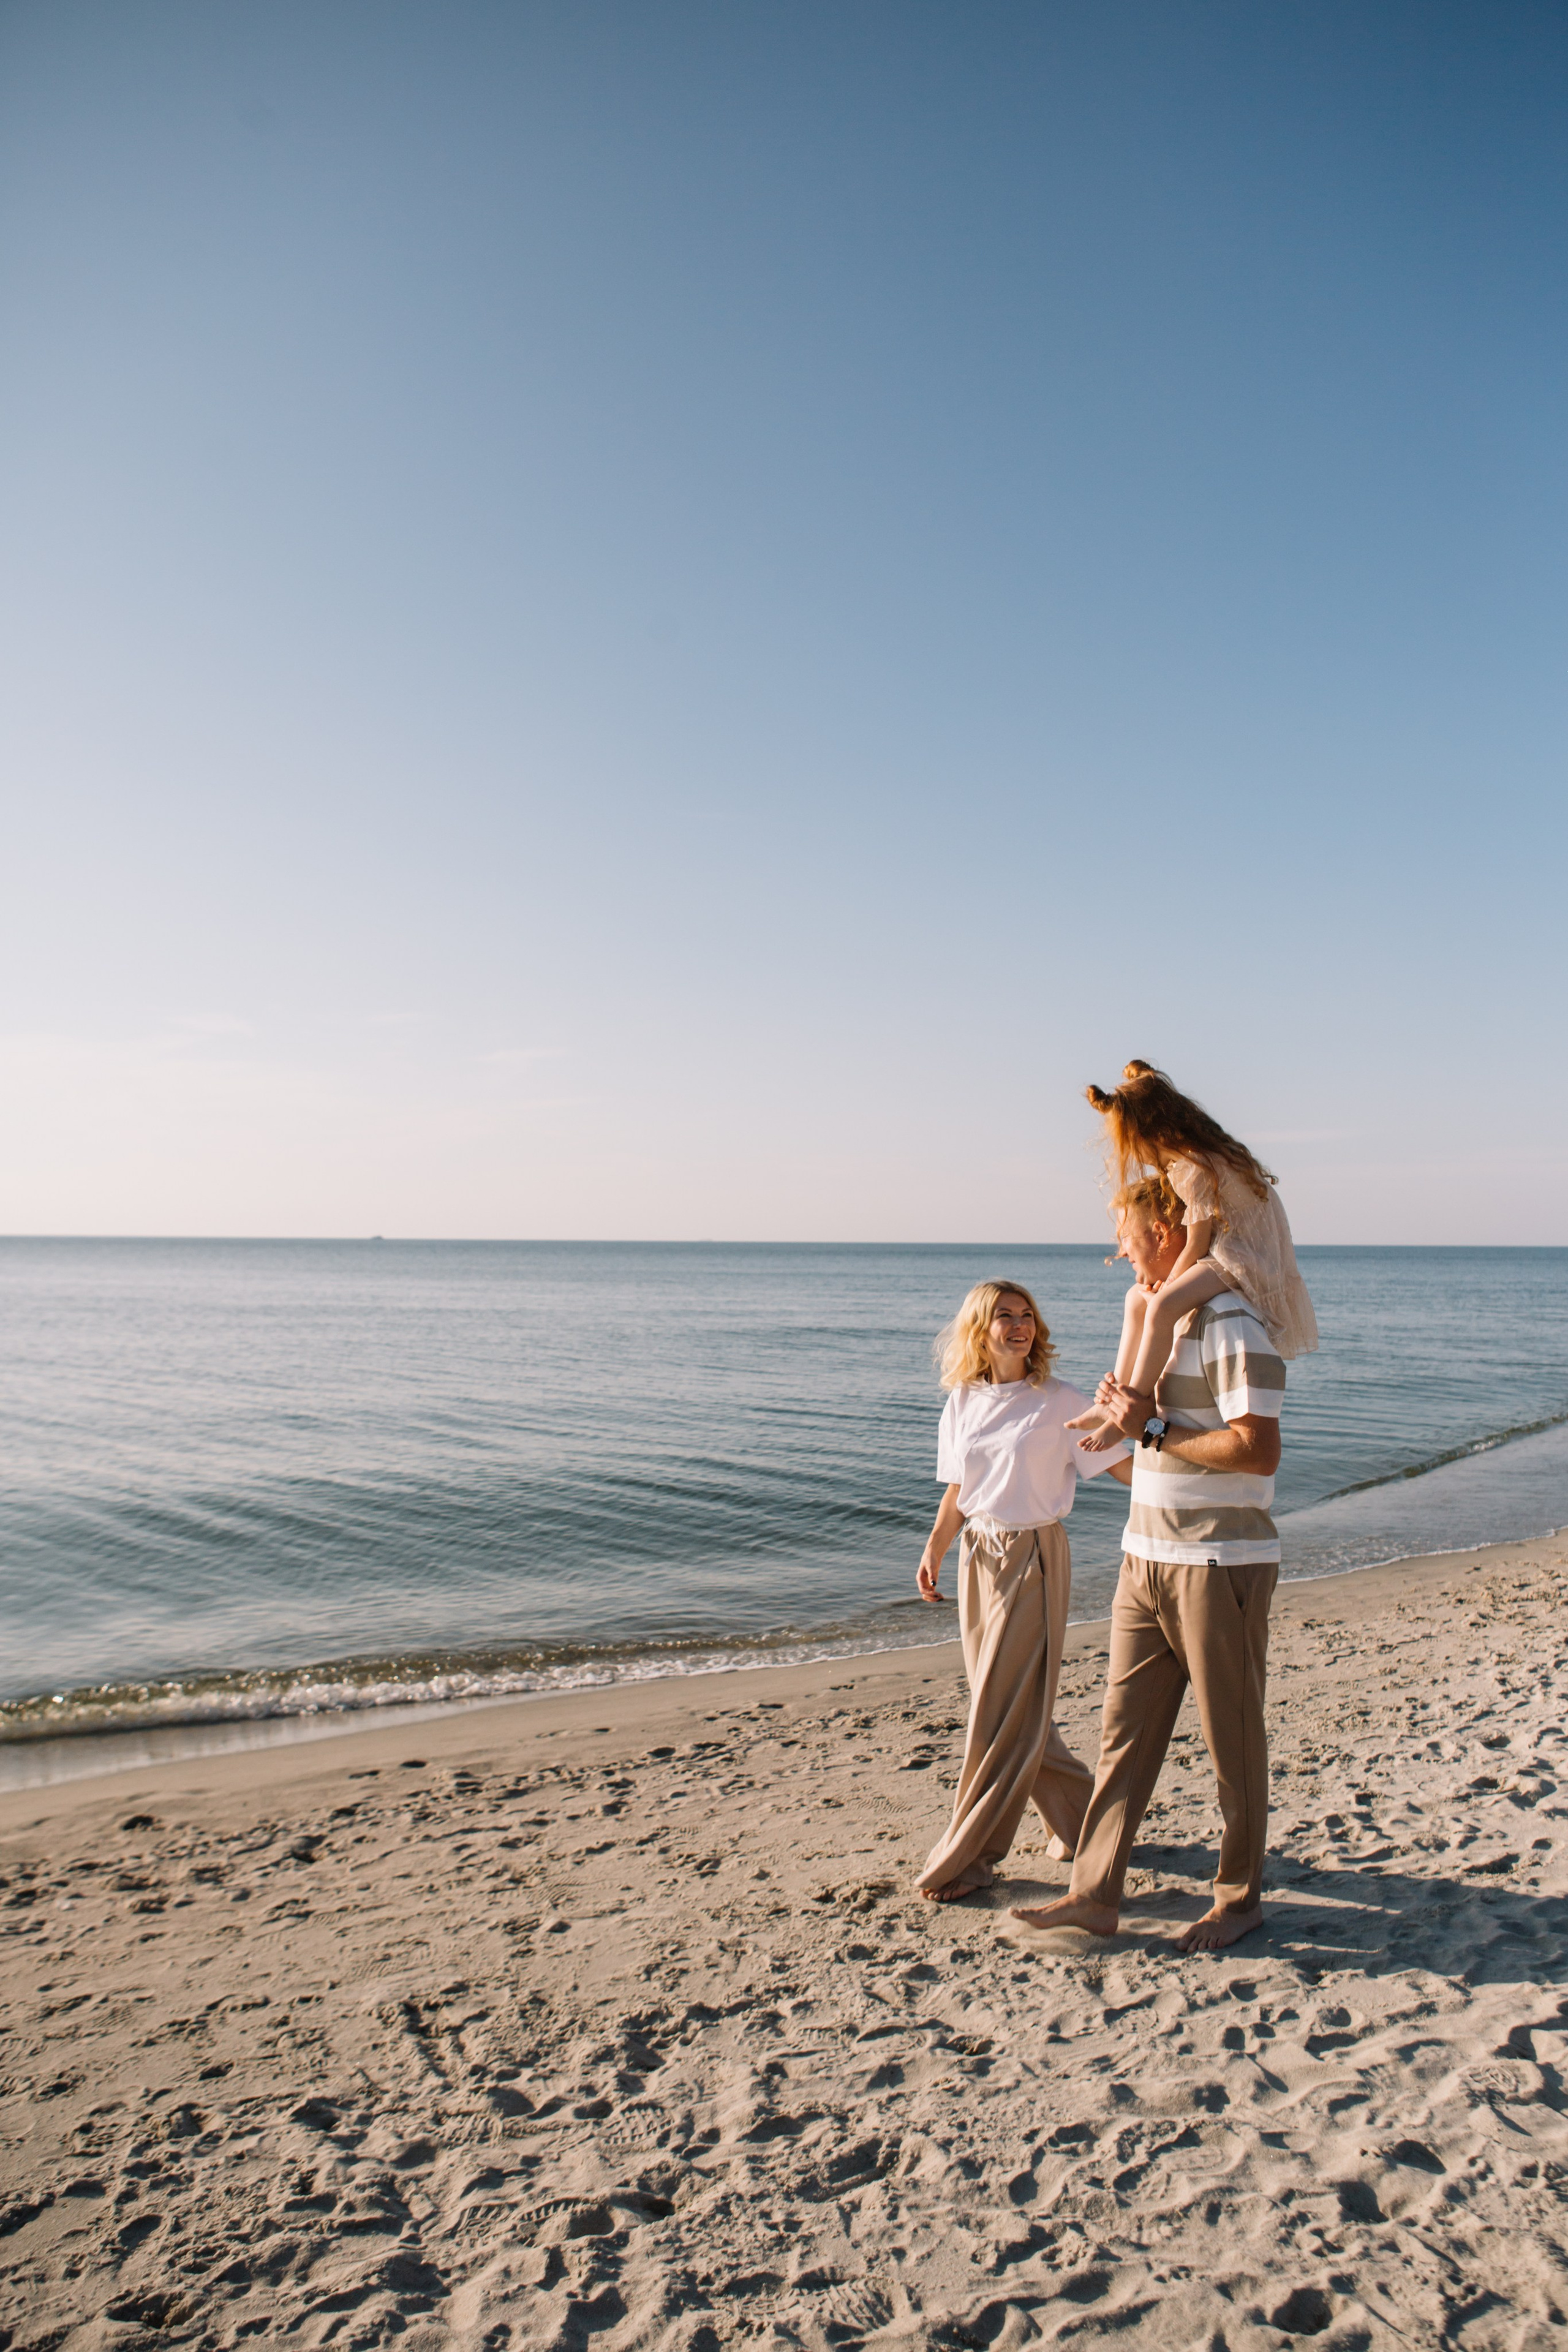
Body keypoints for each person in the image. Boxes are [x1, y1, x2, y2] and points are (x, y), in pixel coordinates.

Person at [1012, 1178, 1286, 1951]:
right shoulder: (1160, 1323)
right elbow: (1140, 1421)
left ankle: (1239, 1901)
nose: (1121, 1252)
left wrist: (1153, 1428)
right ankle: (1094, 1896)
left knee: (1231, 1740)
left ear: (1168, 1229)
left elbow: (1256, 1449)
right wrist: (1123, 1415)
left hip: (1218, 1559)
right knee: (1121, 1738)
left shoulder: (1230, 1319)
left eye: (1127, 1236)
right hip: (1145, 1555)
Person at [914, 1280, 1133, 1904]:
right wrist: (934, 1548)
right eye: (1004, 1317)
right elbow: (959, 1487)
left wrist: (1178, 1457)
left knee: (998, 1712)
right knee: (1014, 1703)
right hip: (978, 1557)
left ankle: (972, 1855)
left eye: (1026, 1316)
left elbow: (1124, 1470)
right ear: (979, 1330)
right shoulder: (963, 1401)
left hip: (1033, 1556)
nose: (1019, 1326)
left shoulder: (1060, 1401)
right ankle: (1085, 1824)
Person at [1068, 1061, 1316, 1450]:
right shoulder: (1197, 1161)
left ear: (1152, 1130)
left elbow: (1197, 1245)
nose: (1141, 1158)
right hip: (1229, 1252)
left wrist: (1168, 1286)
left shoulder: (1195, 1168)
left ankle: (1129, 1409)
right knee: (1139, 1299)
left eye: (1136, 1146)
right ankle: (1112, 1401)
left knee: (1162, 1306)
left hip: (1243, 1259)